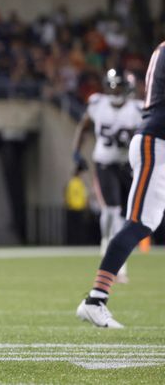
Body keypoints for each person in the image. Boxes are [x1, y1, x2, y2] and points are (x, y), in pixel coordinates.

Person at [77, 42, 165, 328]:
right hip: (156, 144)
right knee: (137, 221)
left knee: (136, 221)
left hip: (148, 146)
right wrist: (75, 155)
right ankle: (95, 299)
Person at [72, 69, 142, 282]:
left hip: (129, 166)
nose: (115, 91)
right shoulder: (97, 104)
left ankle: (116, 256)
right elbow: (83, 127)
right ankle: (108, 247)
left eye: (119, 87)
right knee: (111, 210)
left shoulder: (137, 109)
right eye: (112, 86)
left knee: (127, 214)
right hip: (104, 163)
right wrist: (76, 152)